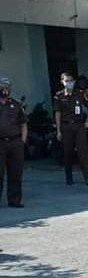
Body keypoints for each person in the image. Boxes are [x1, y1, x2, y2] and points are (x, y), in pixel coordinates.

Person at [54, 71, 88, 186]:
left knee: (83, 152)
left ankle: (87, 177)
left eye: (71, 81)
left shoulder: (80, 94)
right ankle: (69, 176)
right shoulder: (59, 96)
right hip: (66, 126)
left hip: (79, 125)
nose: (69, 83)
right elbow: (57, 113)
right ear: (62, 82)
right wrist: (58, 130)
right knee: (67, 152)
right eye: (66, 81)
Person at [0, 76, 27, 208]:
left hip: (15, 142)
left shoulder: (16, 105)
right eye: (3, 86)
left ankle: (15, 200)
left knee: (15, 172)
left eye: (7, 86)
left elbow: (23, 124)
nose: (5, 89)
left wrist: (22, 141)